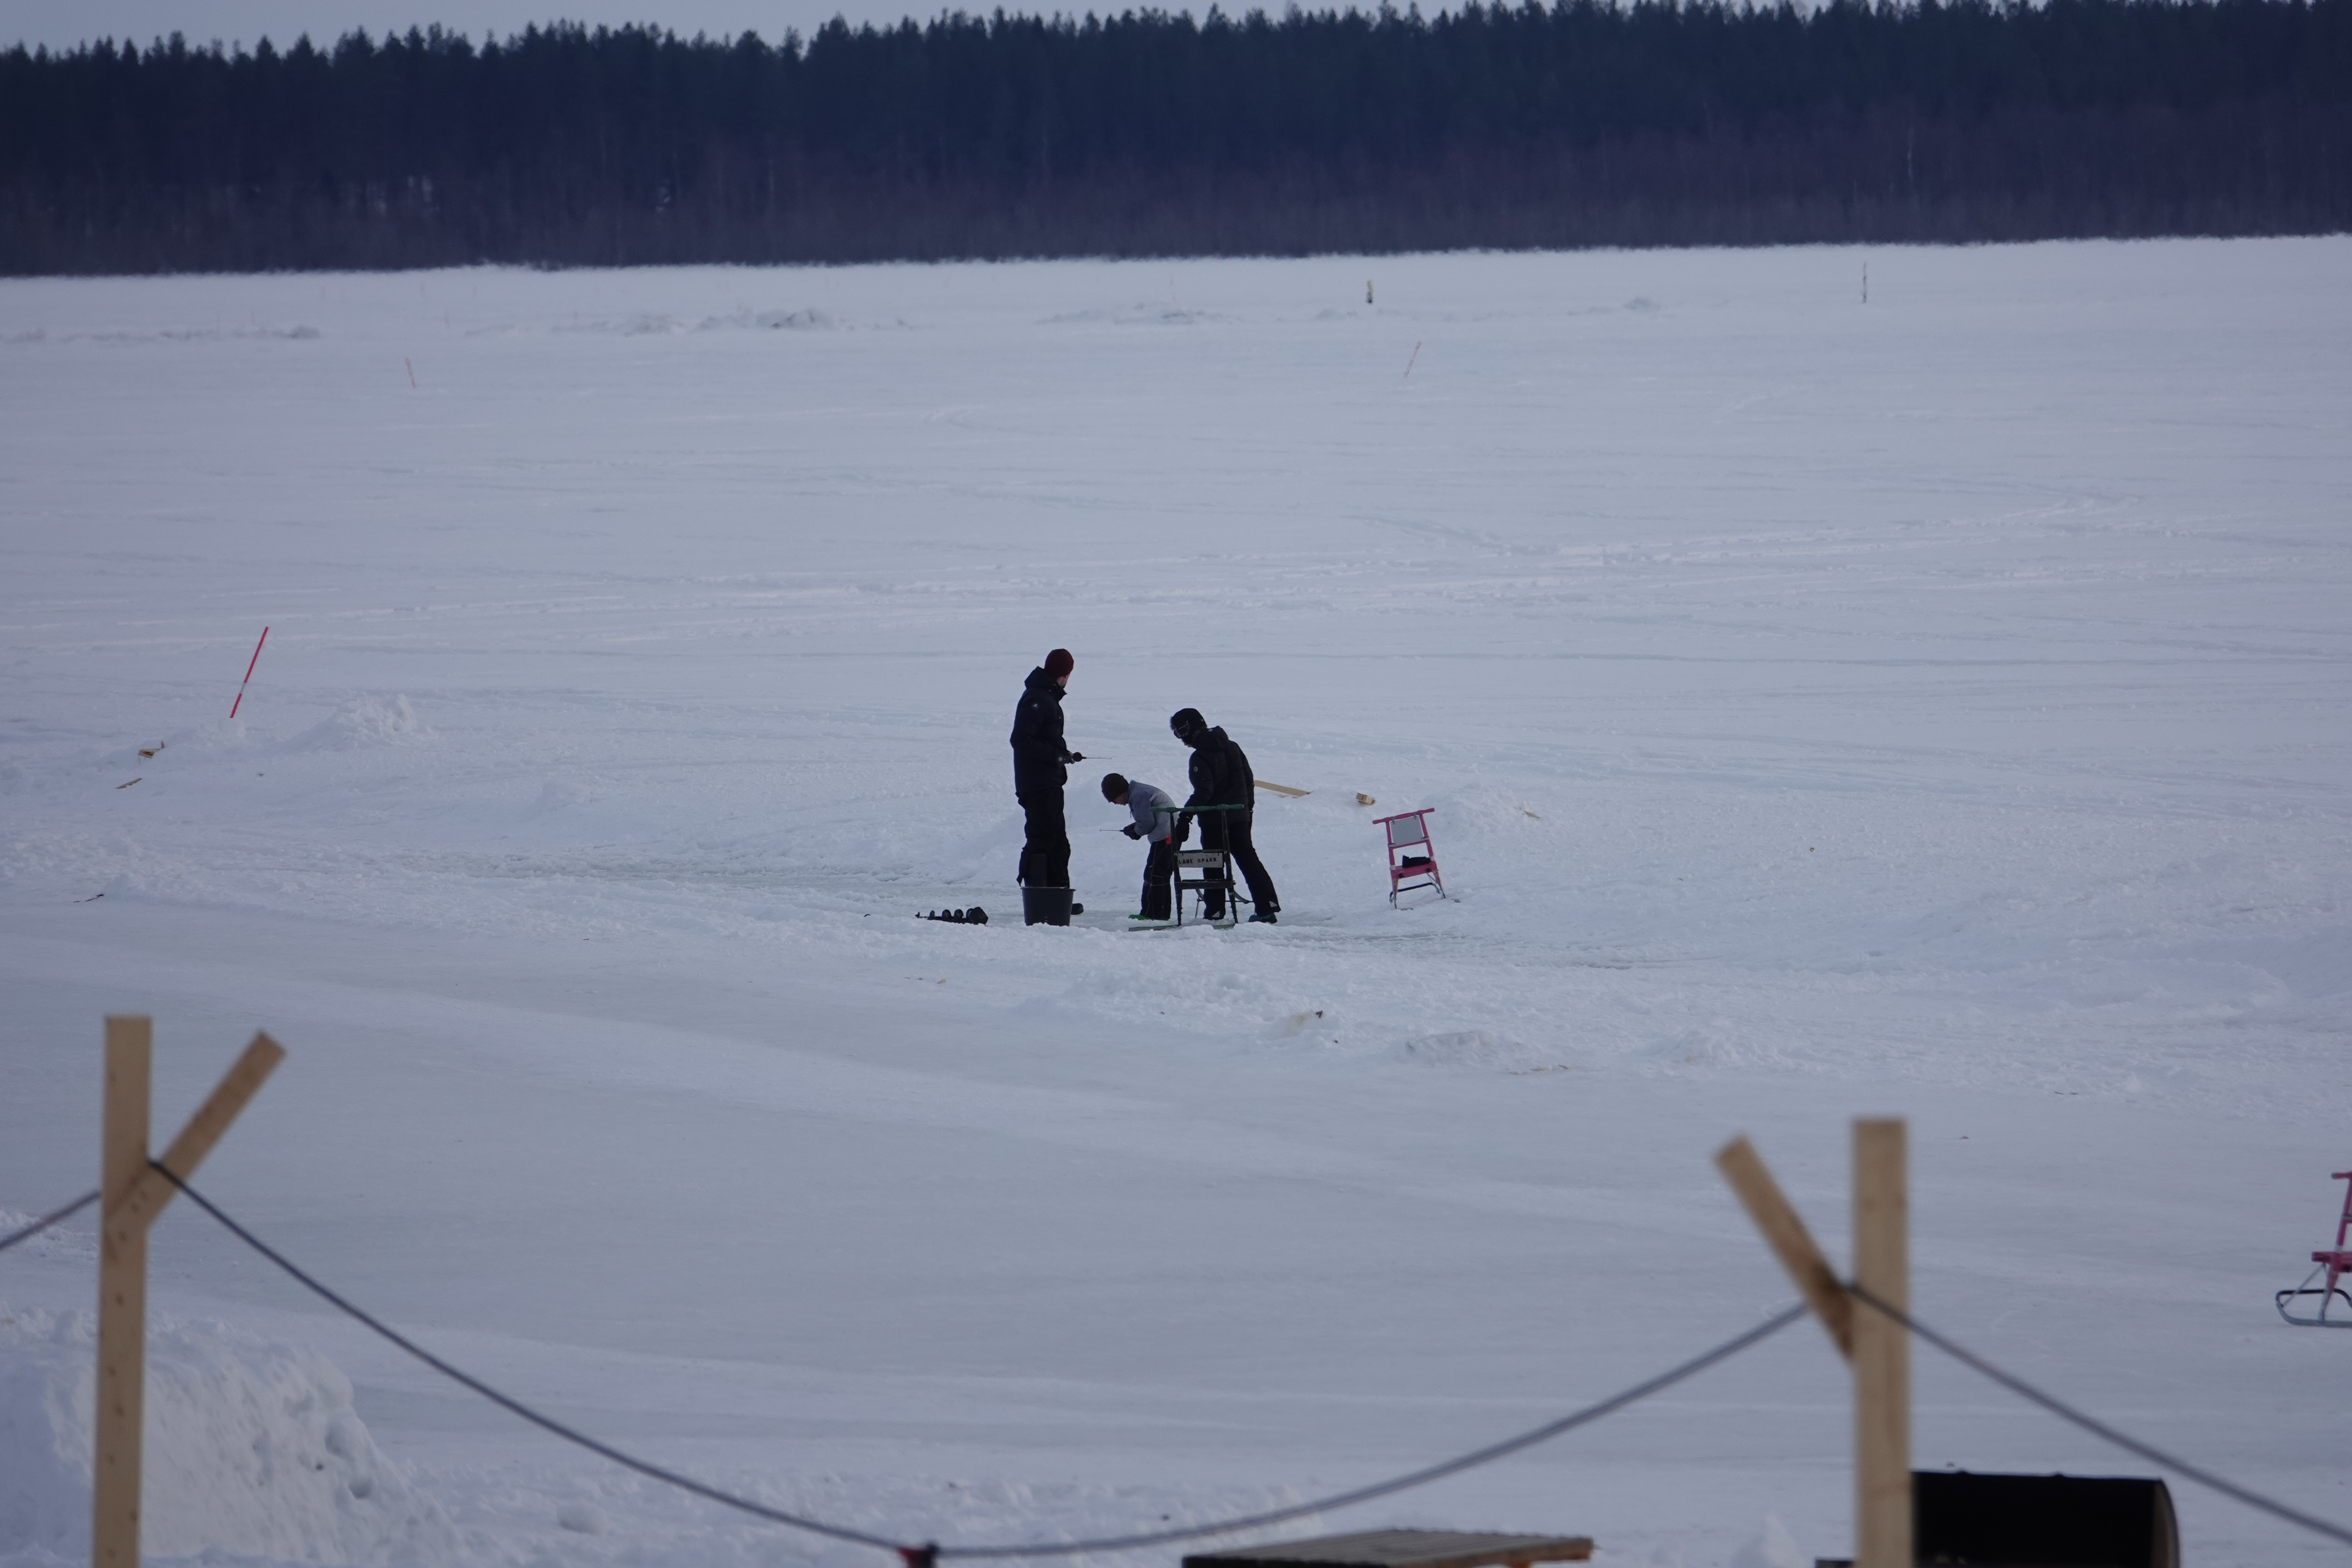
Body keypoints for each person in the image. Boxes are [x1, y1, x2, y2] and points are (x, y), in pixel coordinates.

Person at [1169, 707, 1280, 923]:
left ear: (1189, 729)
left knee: (1213, 863)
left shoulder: (1200, 757)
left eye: (1180, 733)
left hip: (1215, 821)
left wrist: (1185, 818)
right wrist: (1247, 811)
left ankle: (1215, 911)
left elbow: (1204, 792)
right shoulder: (1233, 747)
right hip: (1240, 816)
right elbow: (1249, 782)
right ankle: (1267, 906)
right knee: (1249, 860)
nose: (1182, 740)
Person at [1010, 649, 1084, 892]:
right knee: (1042, 842)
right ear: (1065, 674)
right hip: (1038, 785)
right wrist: (1056, 756)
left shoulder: (1046, 697)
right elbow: (1021, 740)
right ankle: (1038, 900)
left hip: (1050, 783)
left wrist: (1062, 755)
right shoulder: (1038, 699)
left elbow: (1042, 739)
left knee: (1058, 844)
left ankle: (1059, 899)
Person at [1101, 773, 1178, 921]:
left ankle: (1153, 914)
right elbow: (1147, 819)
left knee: (1154, 875)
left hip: (1165, 836)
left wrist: (1135, 832)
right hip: (1170, 834)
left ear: (1119, 792)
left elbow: (1147, 824)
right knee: (1159, 875)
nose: (1115, 803)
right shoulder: (1139, 792)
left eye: (1113, 799)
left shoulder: (1138, 795)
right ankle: (1159, 913)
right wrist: (1136, 827)